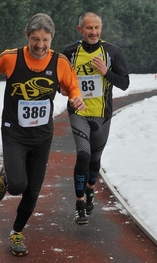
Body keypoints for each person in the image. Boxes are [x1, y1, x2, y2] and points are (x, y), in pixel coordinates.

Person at [0, 13, 85, 256]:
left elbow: (72, 85)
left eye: (45, 40)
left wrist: (75, 96)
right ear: (27, 36)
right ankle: (8, 175)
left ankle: (16, 233)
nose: (40, 46)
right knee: (18, 186)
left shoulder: (59, 62)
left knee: (32, 191)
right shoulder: (11, 58)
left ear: (52, 40)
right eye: (35, 39)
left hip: (42, 135)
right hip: (14, 132)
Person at [62, 12, 130, 225]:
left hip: (102, 115)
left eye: (96, 28)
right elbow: (59, 82)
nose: (93, 32)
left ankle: (90, 190)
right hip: (78, 113)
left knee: (94, 160)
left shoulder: (112, 52)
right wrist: (63, 90)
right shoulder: (69, 53)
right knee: (83, 154)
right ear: (80, 29)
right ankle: (80, 203)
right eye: (88, 28)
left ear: (101, 29)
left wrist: (106, 71)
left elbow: (125, 83)